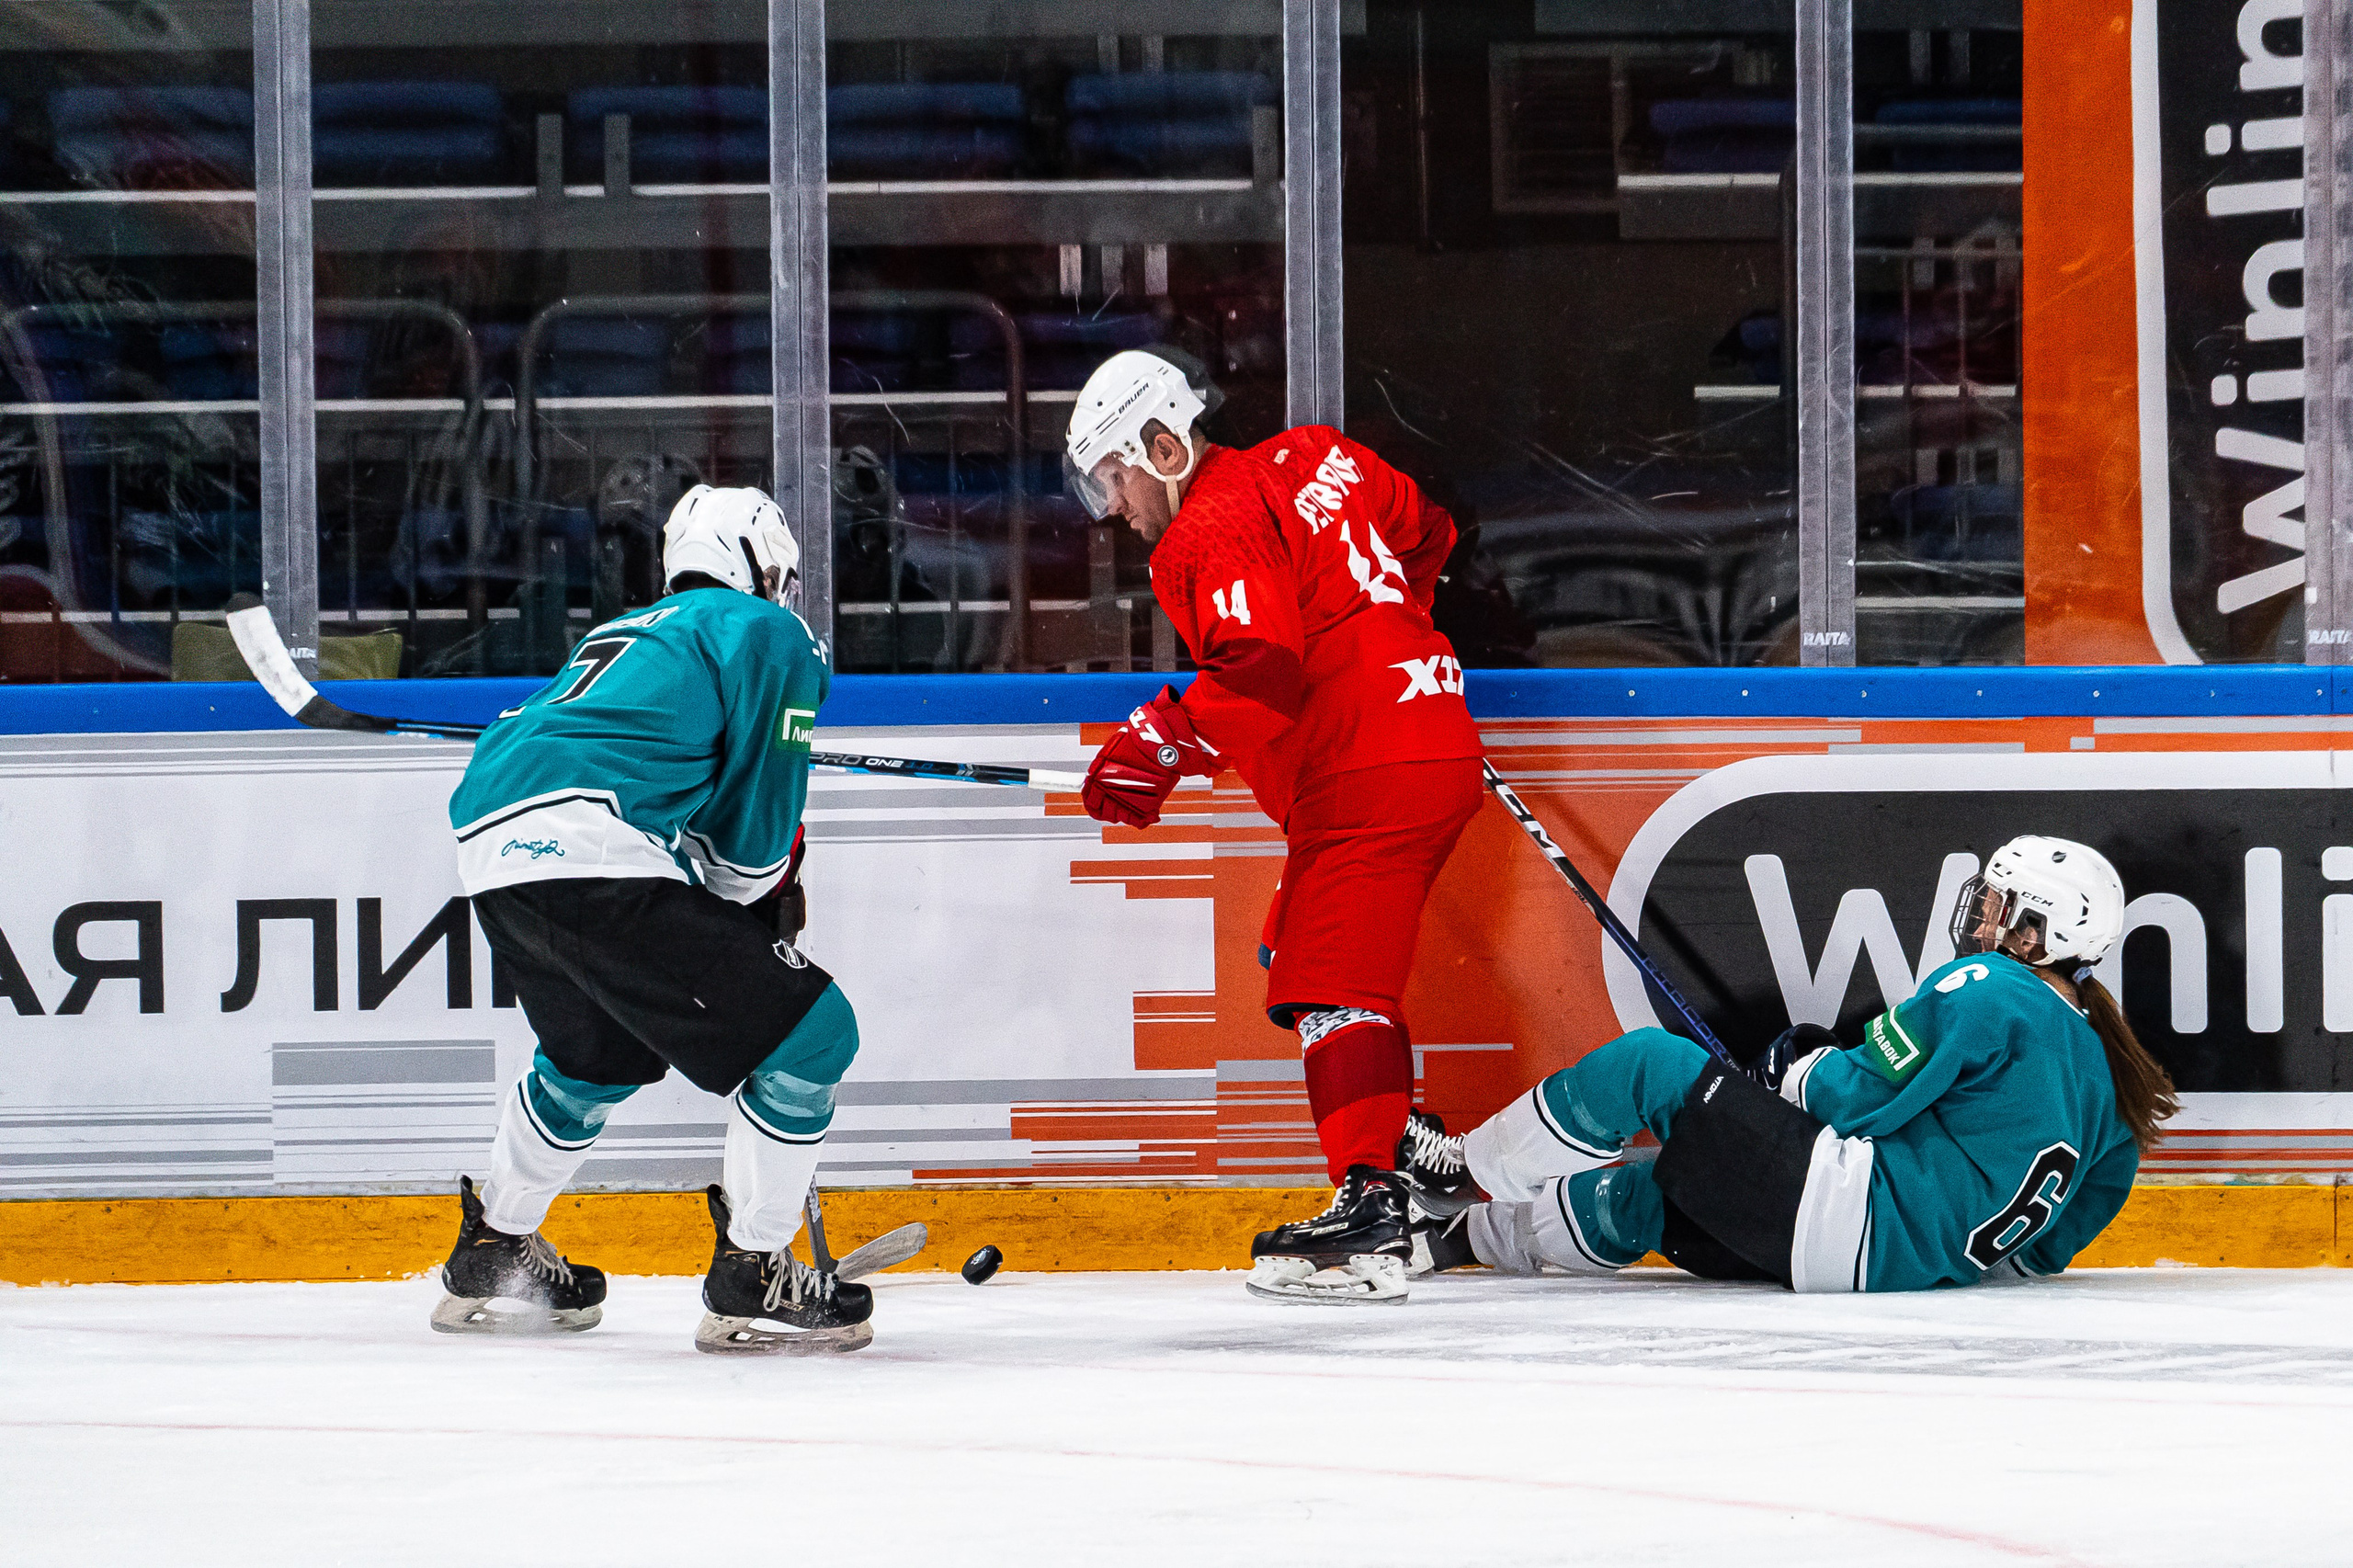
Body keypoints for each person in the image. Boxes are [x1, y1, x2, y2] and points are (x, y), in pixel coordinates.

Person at [1063, 347, 1485, 1304]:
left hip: (1364, 769)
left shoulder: (1204, 527)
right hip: (1427, 737)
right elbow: (1429, 533)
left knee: (1326, 983)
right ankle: (1409, 1146)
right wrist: (1388, 649)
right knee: (1291, 949)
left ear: (1161, 445)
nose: (1116, 507)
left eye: (1115, 477)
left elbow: (1258, 673)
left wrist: (1157, 741)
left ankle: (1371, 1210)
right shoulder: (1316, 454)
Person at [435, 484, 872, 1354]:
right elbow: (745, 853)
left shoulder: (631, 633)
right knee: (815, 1036)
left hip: (493, 848)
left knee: (589, 1059)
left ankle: (494, 1247)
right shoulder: (766, 632)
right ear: (758, 562)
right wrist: (763, 902)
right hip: (591, 846)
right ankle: (753, 1273)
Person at [1408, 835, 2178, 1292]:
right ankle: (1458, 1238)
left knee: (1653, 1065)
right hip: (1883, 1266)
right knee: (1662, 1189)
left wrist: (1800, 1067)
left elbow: (1855, 1100)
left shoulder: (1991, 988)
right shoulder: (2114, 1072)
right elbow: (2051, 1246)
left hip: (1846, 1215)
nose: (1979, 920)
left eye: (1997, 906)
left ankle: (1458, 1175)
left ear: (2034, 932)